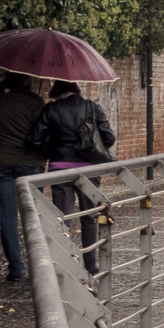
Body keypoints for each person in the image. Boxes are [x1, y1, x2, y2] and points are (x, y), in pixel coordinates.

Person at [28, 81, 115, 275]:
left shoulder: (50, 109)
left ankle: (64, 263)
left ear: (57, 91)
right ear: (76, 90)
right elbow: (109, 138)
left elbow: (34, 139)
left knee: (63, 218)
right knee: (89, 217)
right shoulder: (92, 107)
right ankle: (91, 265)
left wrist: (52, 148)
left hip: (60, 169)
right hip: (89, 170)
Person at [0, 72, 47, 281]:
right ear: (26, 79)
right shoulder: (35, 101)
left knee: (8, 216)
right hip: (31, 166)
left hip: (1, 164)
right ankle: (38, 265)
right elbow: (41, 133)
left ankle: (15, 268)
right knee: (32, 216)